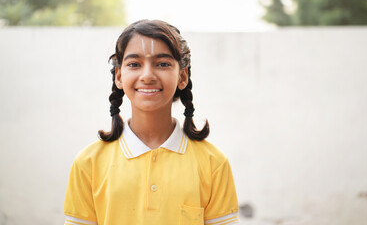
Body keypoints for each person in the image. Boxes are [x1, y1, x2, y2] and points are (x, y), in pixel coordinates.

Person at [64, 20, 239, 225]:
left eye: (163, 64)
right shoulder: (88, 163)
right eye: (134, 64)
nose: (147, 76)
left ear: (182, 76)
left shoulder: (213, 163)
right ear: (119, 77)